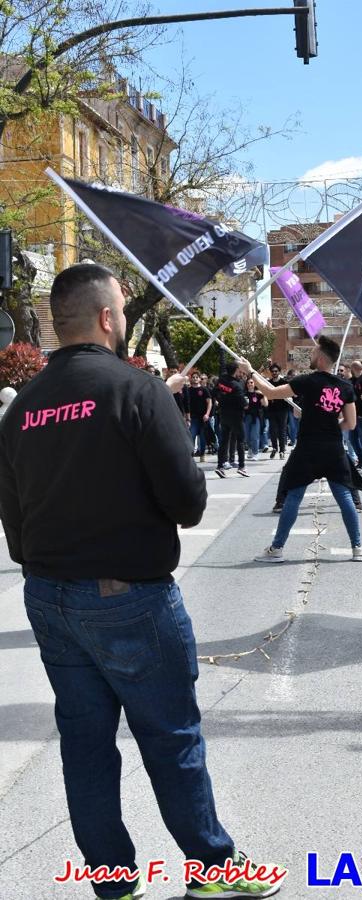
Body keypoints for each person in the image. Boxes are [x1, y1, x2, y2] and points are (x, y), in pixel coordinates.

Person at [0, 264, 282, 900]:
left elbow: (13, 521)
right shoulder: (137, 390)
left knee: (85, 742)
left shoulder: (22, 410)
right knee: (170, 733)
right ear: (106, 317)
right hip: (128, 596)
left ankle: (114, 885)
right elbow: (188, 503)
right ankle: (212, 870)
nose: (124, 317)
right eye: (122, 308)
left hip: (49, 596)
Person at [239, 336, 362, 562]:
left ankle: (277, 549)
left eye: (312, 351)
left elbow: (270, 392)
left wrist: (250, 371)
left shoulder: (307, 381)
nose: (310, 355)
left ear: (320, 357)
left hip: (308, 447)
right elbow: (351, 424)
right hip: (333, 448)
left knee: (294, 496)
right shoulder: (346, 387)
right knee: (344, 496)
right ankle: (357, 547)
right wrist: (325, 421)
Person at [214, 362, 249, 478]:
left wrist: (221, 399)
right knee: (240, 440)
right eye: (239, 371)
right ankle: (242, 467)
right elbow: (244, 404)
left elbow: (214, 393)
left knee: (224, 441)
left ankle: (220, 466)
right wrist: (246, 402)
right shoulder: (236, 386)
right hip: (236, 417)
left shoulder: (221, 381)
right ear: (235, 371)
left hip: (223, 415)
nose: (240, 373)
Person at [188, 371, 213, 462]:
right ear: (191, 378)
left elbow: (209, 402)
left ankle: (202, 454)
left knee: (203, 437)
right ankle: (190, 455)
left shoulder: (204, 389)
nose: (195, 378)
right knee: (191, 435)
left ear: (199, 379)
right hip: (192, 418)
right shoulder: (188, 390)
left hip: (203, 417)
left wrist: (207, 414)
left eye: (196, 377)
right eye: (193, 377)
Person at [266, 363, 288, 459]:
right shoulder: (268, 382)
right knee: (273, 430)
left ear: (279, 372)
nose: (274, 373)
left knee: (282, 430)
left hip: (283, 410)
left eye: (276, 371)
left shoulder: (284, 382)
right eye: (272, 371)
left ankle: (282, 450)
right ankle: (275, 448)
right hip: (272, 410)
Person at [244, 376, 267, 459]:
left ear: (254, 384)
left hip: (256, 416)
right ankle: (250, 449)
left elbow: (265, 404)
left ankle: (255, 452)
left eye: (251, 382)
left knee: (255, 435)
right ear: (246, 384)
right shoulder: (244, 394)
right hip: (246, 417)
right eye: (248, 383)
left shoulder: (258, 394)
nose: (250, 384)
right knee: (247, 436)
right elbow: (243, 406)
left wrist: (264, 395)